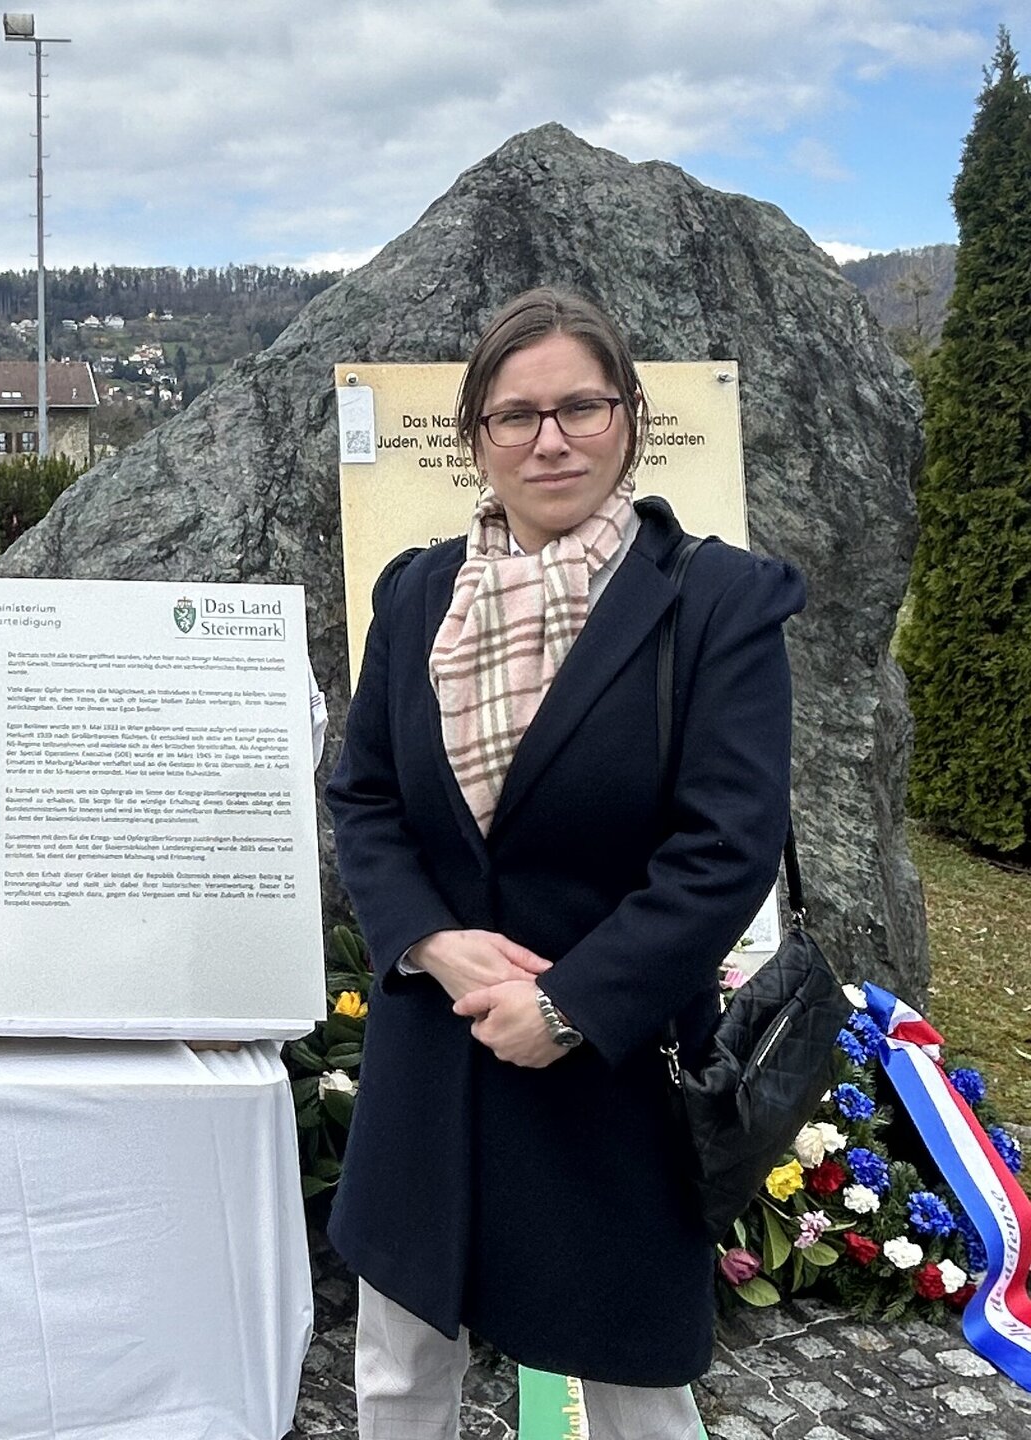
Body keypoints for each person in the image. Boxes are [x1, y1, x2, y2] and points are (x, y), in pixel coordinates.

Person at [325, 286, 802, 1439]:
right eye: (515, 415)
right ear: (476, 437)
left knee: (636, 1394)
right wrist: (430, 942)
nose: (550, 440)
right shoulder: (418, 592)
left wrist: (570, 1006)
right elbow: (366, 795)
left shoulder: (714, 602)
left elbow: (724, 848)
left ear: (629, 416)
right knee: (399, 1372)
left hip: (608, 1073)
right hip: (436, 1055)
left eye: (580, 407)